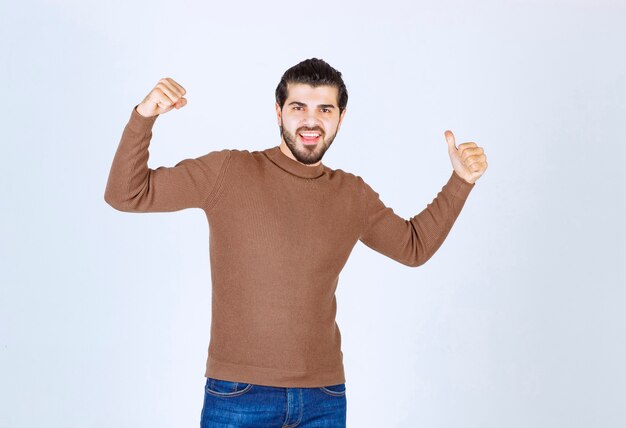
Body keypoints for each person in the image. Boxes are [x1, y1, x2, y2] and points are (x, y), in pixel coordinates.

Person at [104, 58, 488, 427]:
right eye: (299, 106)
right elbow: (126, 194)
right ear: (278, 111)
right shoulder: (229, 172)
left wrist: (461, 181)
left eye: (325, 109)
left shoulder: (351, 194)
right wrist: (145, 115)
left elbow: (413, 247)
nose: (311, 120)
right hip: (239, 393)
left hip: (323, 396)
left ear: (340, 118)